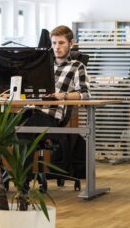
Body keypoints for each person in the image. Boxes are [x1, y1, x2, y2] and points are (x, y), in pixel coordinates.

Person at [24, 25, 90, 186]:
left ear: (71, 44)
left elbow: (85, 94)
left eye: (61, 43)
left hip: (51, 116)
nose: (57, 47)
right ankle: (14, 177)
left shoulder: (76, 66)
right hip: (31, 110)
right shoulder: (42, 65)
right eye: (54, 43)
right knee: (8, 127)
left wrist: (63, 95)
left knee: (23, 132)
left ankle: (23, 181)